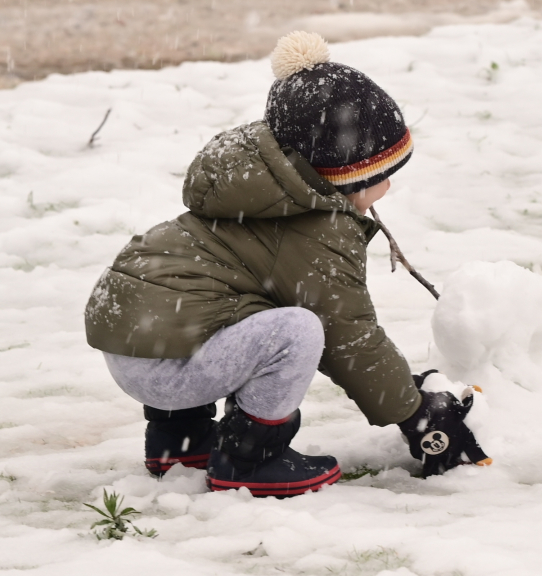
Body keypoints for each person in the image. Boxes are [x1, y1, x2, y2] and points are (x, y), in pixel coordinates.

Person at [84, 31, 490, 497]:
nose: (389, 188)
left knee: (218, 305)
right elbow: (349, 337)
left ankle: (180, 444)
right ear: (351, 176)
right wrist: (414, 411)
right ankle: (248, 462)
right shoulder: (317, 229)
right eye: (384, 176)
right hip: (168, 369)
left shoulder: (259, 194)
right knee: (297, 330)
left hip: (135, 348)